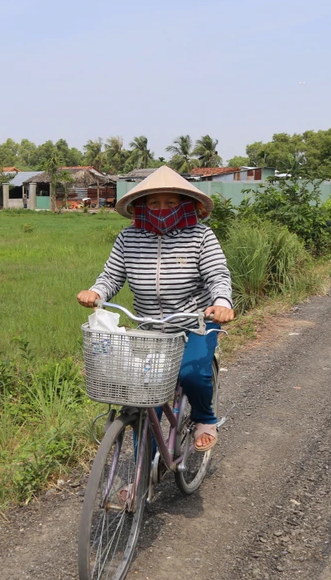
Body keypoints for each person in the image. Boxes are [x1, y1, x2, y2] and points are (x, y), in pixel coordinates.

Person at [77, 166, 234, 452]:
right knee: (142, 399)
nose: (162, 209)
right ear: (142, 206)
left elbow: (217, 276)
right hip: (150, 329)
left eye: (171, 203)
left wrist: (221, 304)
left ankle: (205, 419)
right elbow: (112, 276)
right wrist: (96, 292)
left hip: (196, 321)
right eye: (154, 203)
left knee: (191, 374)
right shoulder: (129, 238)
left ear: (185, 205)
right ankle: (141, 485)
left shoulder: (201, 236)